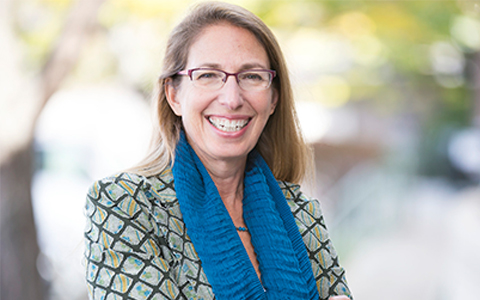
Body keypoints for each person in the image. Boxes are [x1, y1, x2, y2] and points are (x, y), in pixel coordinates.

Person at [84, 2, 353, 299]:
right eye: (208, 75)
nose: (232, 98)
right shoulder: (125, 205)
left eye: (252, 76)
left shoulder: (299, 211)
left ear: (273, 98)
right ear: (174, 95)